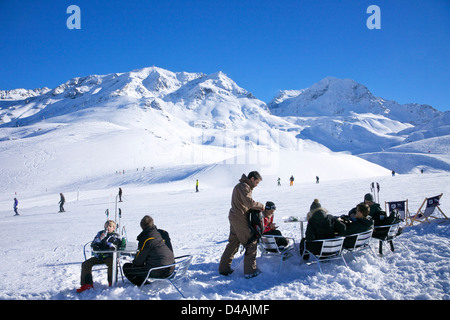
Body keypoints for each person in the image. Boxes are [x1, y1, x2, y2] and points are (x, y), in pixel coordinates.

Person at [219, 171, 265, 279]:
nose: (257, 185)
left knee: (234, 242)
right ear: (252, 179)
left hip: (234, 216)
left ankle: (224, 268)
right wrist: (261, 206)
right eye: (257, 182)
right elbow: (249, 203)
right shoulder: (244, 186)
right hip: (239, 217)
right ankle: (250, 271)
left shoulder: (240, 186)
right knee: (251, 242)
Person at [123, 215, 175, 286]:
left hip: (159, 271)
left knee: (126, 267)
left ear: (142, 226)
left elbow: (138, 261)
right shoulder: (160, 234)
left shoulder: (147, 238)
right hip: (171, 268)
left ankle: (146, 286)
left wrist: (135, 263)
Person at [77, 220, 124, 293]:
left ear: (113, 228)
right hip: (99, 256)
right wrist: (100, 239)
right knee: (86, 264)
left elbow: (116, 245)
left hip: (110, 257)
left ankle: (112, 282)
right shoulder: (100, 234)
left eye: (110, 226)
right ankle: (87, 284)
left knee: (113, 264)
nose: (108, 228)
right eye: (106, 226)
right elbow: (93, 244)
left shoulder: (116, 236)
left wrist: (108, 245)